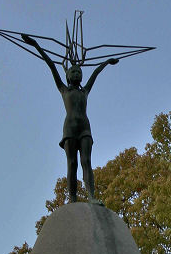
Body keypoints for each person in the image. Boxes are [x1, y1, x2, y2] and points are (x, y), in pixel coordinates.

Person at [22, 34, 118, 204]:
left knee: (86, 161)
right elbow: (51, 65)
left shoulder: (84, 91)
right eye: (73, 71)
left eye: (79, 71)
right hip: (70, 129)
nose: (76, 73)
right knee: (72, 163)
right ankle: (72, 199)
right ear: (67, 75)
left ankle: (91, 197)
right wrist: (36, 45)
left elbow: (95, 73)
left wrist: (106, 63)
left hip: (85, 128)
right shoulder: (64, 90)